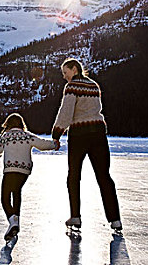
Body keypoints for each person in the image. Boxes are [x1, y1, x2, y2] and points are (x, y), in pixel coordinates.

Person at [52, 58, 122, 232]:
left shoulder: (72, 87)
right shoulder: (94, 85)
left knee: (74, 176)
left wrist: (56, 134)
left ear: (74, 69)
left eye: (65, 72)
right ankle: (115, 219)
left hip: (79, 135)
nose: (64, 76)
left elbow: (66, 112)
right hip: (98, 134)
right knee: (104, 177)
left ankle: (75, 216)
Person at [0, 113, 59, 241]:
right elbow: (43, 144)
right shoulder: (27, 136)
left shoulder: (5, 137)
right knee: (17, 192)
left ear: (8, 125)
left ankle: (13, 221)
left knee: (5, 197)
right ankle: (16, 222)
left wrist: (2, 151)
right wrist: (54, 144)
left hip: (10, 170)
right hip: (24, 171)